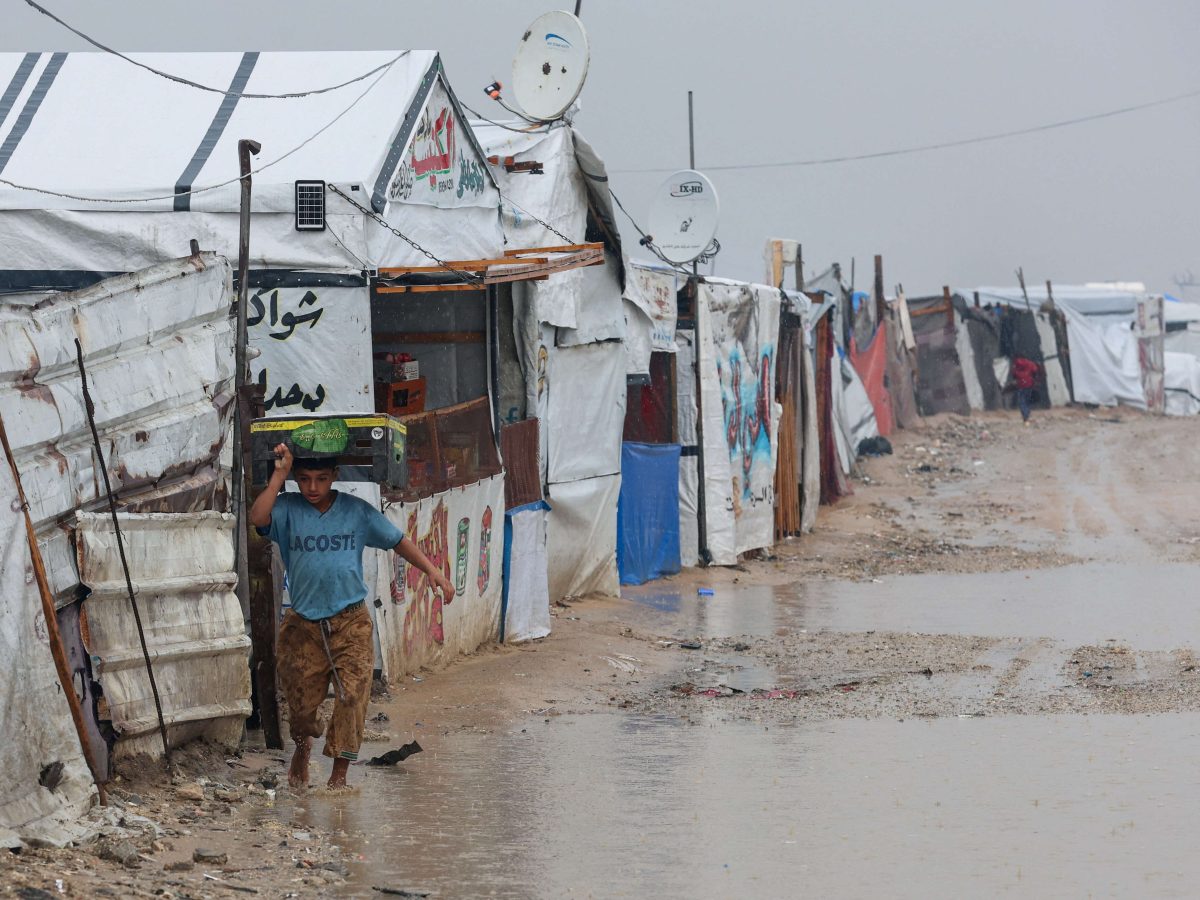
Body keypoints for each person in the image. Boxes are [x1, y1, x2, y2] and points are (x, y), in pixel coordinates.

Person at [249, 444, 454, 789]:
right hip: (302, 625)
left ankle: (338, 779)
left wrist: (432, 571)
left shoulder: (357, 512)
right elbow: (257, 519)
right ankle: (302, 747)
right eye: (305, 479)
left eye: (321, 479)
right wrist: (279, 478)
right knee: (299, 705)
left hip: (351, 622)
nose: (312, 488)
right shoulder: (286, 509)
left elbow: (397, 540)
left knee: (353, 696)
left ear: (335, 478)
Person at [1011, 356, 1041, 425]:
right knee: (1027, 400)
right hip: (1029, 383)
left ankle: (1025, 416)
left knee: (1022, 401)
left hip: (1021, 384)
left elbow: (1014, 374)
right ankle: (1027, 414)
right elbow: (1035, 370)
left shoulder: (1016, 364)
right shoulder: (1030, 363)